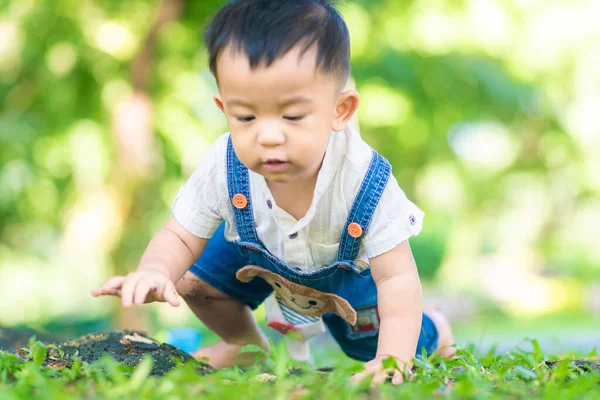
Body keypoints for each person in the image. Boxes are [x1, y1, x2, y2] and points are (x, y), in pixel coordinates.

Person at [92, 0, 455, 385]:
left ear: (341, 110)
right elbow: (180, 234)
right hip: (260, 251)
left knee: (370, 346)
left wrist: (391, 357)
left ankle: (436, 328)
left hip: (347, 271)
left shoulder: (364, 179)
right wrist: (155, 270)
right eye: (246, 116)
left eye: (292, 116)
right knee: (191, 277)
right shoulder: (224, 163)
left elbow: (396, 278)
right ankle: (242, 343)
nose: (267, 135)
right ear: (224, 109)